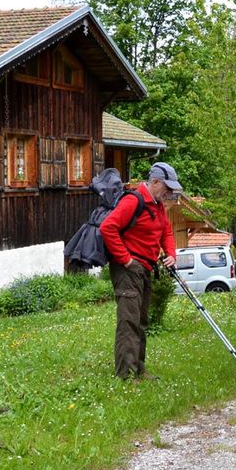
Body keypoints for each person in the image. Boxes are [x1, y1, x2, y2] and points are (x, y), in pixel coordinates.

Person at [100, 161, 180, 380]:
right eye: (167, 187)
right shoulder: (133, 200)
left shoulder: (157, 205)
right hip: (128, 269)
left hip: (144, 268)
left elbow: (167, 232)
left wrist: (171, 253)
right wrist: (126, 260)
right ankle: (125, 376)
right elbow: (108, 228)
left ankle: (139, 370)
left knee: (141, 321)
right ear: (154, 182)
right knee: (129, 322)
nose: (170, 192)